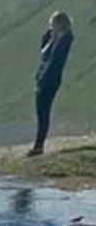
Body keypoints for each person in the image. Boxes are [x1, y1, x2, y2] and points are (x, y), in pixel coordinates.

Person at [29, 11, 74, 156]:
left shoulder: (66, 38)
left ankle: (39, 145)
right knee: (40, 111)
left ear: (60, 24)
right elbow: (43, 51)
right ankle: (39, 143)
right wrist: (50, 35)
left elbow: (55, 61)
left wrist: (44, 79)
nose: (51, 27)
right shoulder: (52, 37)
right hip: (43, 77)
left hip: (50, 79)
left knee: (44, 111)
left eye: (53, 24)